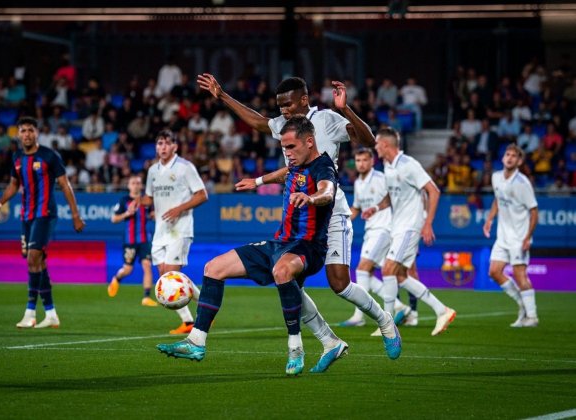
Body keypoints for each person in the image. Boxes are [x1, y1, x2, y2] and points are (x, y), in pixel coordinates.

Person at [157, 117, 401, 376]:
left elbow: (328, 191)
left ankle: (297, 348)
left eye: (291, 147)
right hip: (280, 242)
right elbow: (286, 172)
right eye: (283, 148)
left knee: (293, 275)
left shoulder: (324, 167)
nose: (287, 153)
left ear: (309, 142)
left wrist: (311, 198)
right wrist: (259, 181)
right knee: (213, 267)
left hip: (308, 246)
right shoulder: (296, 162)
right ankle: (196, 341)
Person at [0, 116, 85, 328]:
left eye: (30, 130)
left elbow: (65, 185)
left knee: (33, 258)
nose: (27, 134)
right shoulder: (16, 158)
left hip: (45, 214)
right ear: (18, 135)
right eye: (23, 131)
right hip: (26, 217)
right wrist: (0, 202)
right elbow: (14, 185)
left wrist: (76, 215)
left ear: (37, 133)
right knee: (37, 262)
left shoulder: (49, 156)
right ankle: (51, 313)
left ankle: (30, 312)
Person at [367, 127, 456, 336]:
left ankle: (387, 324)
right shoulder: (388, 166)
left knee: (388, 269)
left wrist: (428, 223)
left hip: (409, 226)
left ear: (386, 145)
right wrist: (376, 207)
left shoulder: (409, 164)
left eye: (377, 143)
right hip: (397, 226)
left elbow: (433, 191)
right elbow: (391, 195)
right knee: (399, 276)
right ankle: (442, 310)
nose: (375, 147)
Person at [140, 129, 206, 334]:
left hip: (180, 229)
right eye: (160, 143)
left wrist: (179, 208)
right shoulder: (152, 170)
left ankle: (205, 311)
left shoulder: (185, 168)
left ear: (175, 146)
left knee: (171, 274)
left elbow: (202, 195)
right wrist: (138, 203)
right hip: (161, 230)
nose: (163, 147)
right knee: (163, 275)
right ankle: (189, 320)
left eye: (167, 143)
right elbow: (150, 199)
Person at [340, 147, 411, 327]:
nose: (361, 164)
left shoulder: (380, 178)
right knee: (366, 273)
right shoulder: (358, 183)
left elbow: (391, 198)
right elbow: (356, 207)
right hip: (371, 230)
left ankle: (359, 316)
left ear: (372, 162)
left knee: (362, 269)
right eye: (358, 160)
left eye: (365, 160)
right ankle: (400, 306)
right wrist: (342, 219)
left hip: (384, 228)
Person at [483, 144, 539, 327]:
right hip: (503, 237)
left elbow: (534, 211)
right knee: (494, 272)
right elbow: (498, 199)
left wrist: (527, 237)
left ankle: (532, 316)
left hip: (518, 237)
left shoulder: (522, 184)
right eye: (507, 154)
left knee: (520, 275)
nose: (510, 158)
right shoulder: (496, 177)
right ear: (503, 158)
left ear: (519, 161)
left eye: (514, 156)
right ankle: (522, 303)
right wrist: (490, 219)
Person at [108, 175, 158, 306]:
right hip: (129, 241)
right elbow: (113, 219)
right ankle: (117, 278)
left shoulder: (147, 201)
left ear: (141, 186)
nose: (136, 185)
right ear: (129, 186)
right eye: (133, 183)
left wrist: (154, 216)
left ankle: (146, 297)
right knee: (128, 269)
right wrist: (126, 214)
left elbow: (153, 215)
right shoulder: (124, 200)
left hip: (145, 240)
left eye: (138, 183)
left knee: (147, 265)